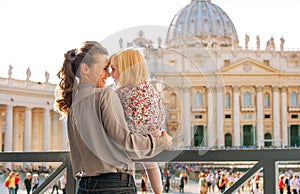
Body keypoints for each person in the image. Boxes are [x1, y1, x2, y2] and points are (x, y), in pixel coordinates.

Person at [54, 41, 172, 194]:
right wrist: (162, 142)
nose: (109, 74)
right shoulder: (106, 95)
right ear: (85, 69)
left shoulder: (73, 105)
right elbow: (126, 143)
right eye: (104, 68)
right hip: (115, 184)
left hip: (84, 186)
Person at [109, 48, 164, 194]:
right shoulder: (151, 89)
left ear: (124, 70)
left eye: (113, 69)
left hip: (131, 143)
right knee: (152, 165)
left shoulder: (119, 93)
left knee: (127, 166)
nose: (110, 74)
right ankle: (159, 192)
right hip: (152, 140)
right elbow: (158, 112)